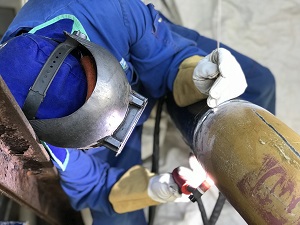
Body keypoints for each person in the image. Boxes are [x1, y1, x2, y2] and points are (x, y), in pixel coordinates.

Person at [0, 0, 275, 224]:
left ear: (81, 46)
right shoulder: (32, 135)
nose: (123, 124)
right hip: (97, 136)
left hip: (139, 64)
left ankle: (250, 163)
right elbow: (94, 184)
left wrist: (192, 76)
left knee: (259, 85)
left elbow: (167, 59)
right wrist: (152, 188)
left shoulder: (105, 10)